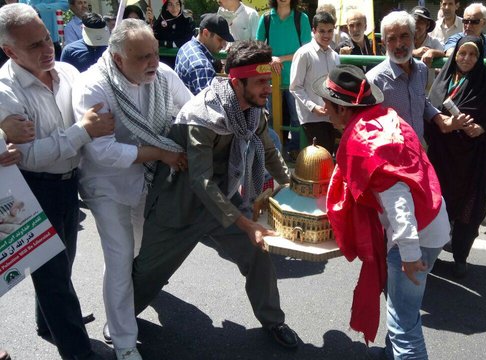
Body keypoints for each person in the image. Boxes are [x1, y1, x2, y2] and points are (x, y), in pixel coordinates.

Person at [131, 40, 299, 350]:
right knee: (147, 276)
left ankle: (273, 320)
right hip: (178, 206)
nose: (268, 88)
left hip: (222, 199)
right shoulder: (202, 115)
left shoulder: (253, 111)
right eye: (261, 81)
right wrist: (248, 224)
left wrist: (295, 187)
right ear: (237, 81)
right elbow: (200, 181)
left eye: (269, 80)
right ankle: (122, 320)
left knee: (257, 255)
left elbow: (271, 151)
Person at [73, 18, 192, 360]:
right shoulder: (93, 86)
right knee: (120, 256)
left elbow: (190, 110)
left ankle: (120, 310)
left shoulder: (162, 74)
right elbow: (102, 151)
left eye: (155, 52)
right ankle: (123, 341)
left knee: (137, 253)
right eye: (143, 57)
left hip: (149, 182)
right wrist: (158, 152)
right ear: (117, 58)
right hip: (106, 184)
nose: (153, 62)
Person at [313, 64, 450, 359]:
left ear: (344, 109)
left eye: (329, 103)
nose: (324, 108)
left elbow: (397, 198)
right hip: (432, 219)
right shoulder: (385, 118)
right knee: (401, 307)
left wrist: (410, 255)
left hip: (413, 235)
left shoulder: (366, 140)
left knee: (404, 322)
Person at [0, 4, 114, 359]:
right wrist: (83, 131)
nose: (47, 48)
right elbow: (30, 156)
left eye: (47, 38)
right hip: (32, 190)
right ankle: (78, 352)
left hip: (68, 185)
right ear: (10, 51)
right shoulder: (6, 92)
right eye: (34, 45)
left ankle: (47, 323)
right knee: (53, 278)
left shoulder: (65, 70)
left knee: (60, 265)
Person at [427, 36, 486, 278]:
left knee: (468, 210)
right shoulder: (443, 80)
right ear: (455, 54)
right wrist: (447, 124)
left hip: (472, 160)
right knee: (437, 206)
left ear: (479, 57)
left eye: (472, 55)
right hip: (442, 157)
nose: (466, 59)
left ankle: (461, 256)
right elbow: (428, 113)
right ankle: (432, 252)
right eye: (462, 53)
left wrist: (480, 129)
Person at [367, 11, 470, 142]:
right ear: (384, 42)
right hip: (390, 156)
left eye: (404, 36)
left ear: (413, 36)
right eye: (392, 39)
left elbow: (421, 101)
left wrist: (441, 120)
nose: (399, 44)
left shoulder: (421, 70)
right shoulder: (374, 80)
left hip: (418, 148)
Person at [256, 0, 311, 160]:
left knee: (296, 118)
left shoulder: (302, 19)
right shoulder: (265, 18)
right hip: (271, 80)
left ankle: (295, 152)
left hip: (297, 79)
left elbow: (307, 51)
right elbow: (258, 47)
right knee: (271, 118)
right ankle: (274, 152)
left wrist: (279, 59)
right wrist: (271, 58)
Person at [290, 11, 340, 154]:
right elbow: (295, 87)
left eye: (330, 31)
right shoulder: (304, 53)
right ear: (314, 31)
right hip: (311, 118)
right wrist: (313, 107)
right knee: (318, 161)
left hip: (332, 117)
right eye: (322, 31)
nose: (326, 35)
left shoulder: (335, 56)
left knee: (331, 157)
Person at [175, 13, 234, 94]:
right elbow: (210, 103)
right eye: (220, 39)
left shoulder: (185, 47)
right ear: (206, 33)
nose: (224, 45)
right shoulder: (202, 66)